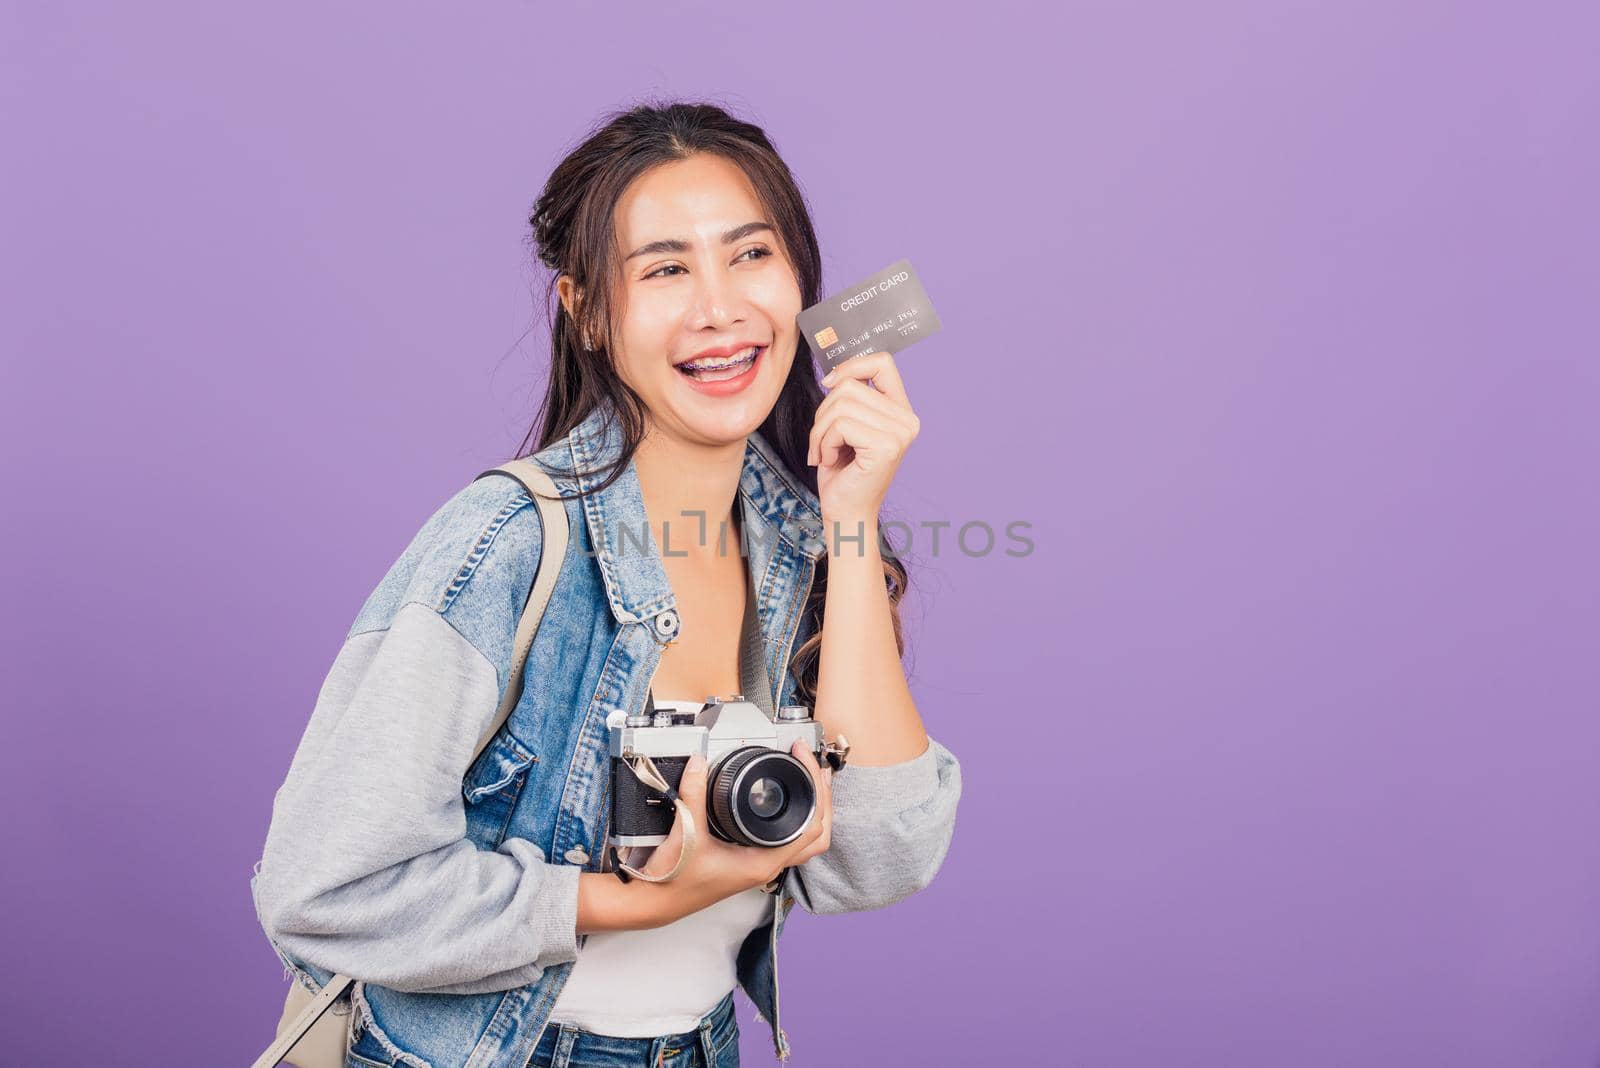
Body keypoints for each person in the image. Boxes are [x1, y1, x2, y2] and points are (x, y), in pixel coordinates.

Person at [251, 100, 962, 1068]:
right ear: (585, 311)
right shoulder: (505, 545)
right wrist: (626, 901)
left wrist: (848, 522)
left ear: (800, 285)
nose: (719, 307)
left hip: (700, 1047)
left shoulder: (801, 546)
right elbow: (322, 888)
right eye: (665, 268)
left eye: (750, 255)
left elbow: (878, 858)